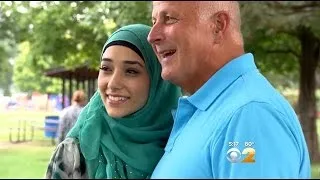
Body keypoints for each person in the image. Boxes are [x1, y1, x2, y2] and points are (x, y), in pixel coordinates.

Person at [147, 1, 310, 179]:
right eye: (153, 21)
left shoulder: (250, 114)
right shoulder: (217, 110)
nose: (152, 36)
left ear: (218, 26)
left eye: (169, 19)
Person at [44, 24, 181, 179]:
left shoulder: (184, 146)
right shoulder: (74, 153)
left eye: (131, 71)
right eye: (106, 68)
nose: (113, 83)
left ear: (159, 82)